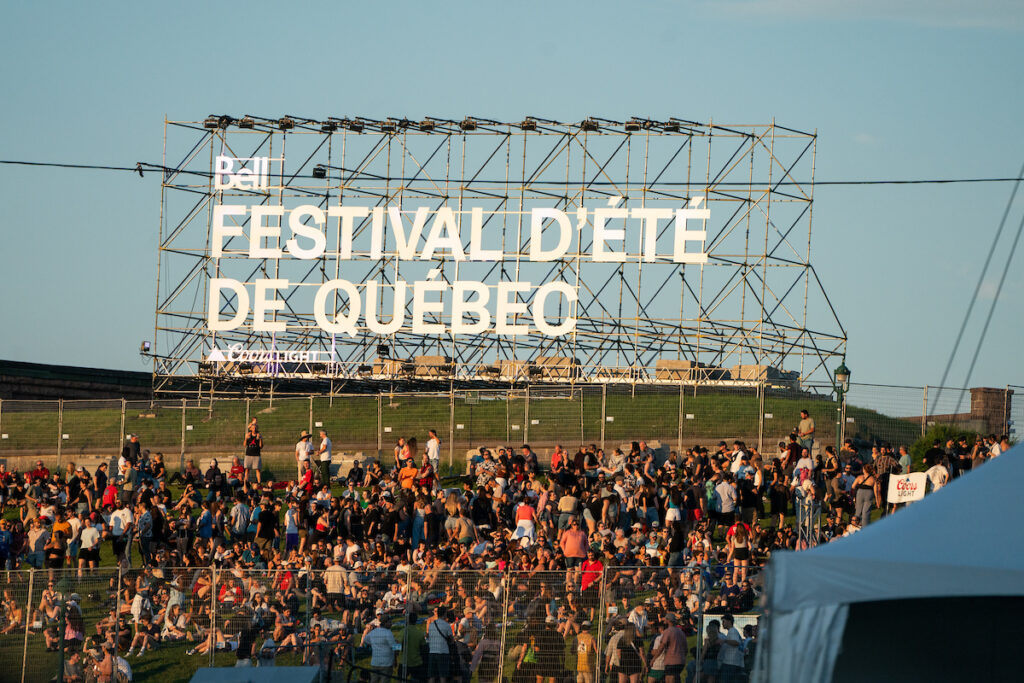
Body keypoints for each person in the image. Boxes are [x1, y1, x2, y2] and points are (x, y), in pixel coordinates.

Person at [362, 615, 400, 683]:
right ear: (385, 623)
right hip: (386, 663)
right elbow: (394, 647)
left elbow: (365, 640)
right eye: (390, 622)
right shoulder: (388, 633)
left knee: (374, 681)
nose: (391, 624)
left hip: (375, 663)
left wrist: (374, 643)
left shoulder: (374, 632)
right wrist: (399, 644)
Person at [717, 614, 744, 683]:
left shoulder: (733, 631)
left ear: (729, 621)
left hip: (731, 663)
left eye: (723, 621)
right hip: (731, 663)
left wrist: (724, 641)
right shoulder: (731, 631)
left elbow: (736, 642)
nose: (722, 624)